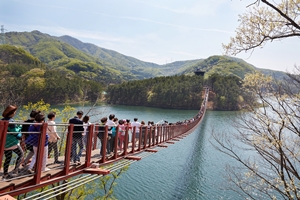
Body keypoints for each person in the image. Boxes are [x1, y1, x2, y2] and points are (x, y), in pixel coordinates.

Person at [2, 105, 24, 179]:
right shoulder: (11, 121)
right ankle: (15, 170)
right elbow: (15, 132)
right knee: (21, 154)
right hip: (12, 142)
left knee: (8, 157)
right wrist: (20, 126)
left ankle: (5, 173)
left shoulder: (2, 120)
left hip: (4, 143)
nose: (15, 113)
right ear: (12, 112)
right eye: (14, 112)